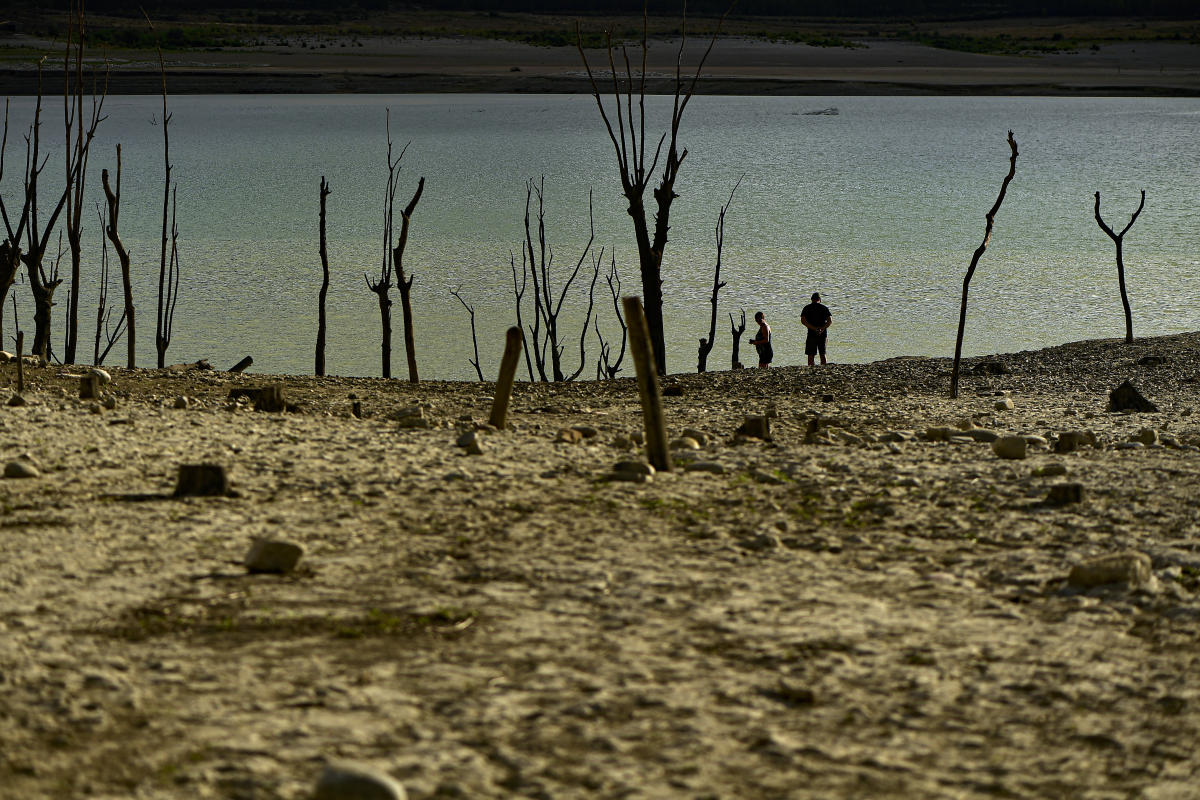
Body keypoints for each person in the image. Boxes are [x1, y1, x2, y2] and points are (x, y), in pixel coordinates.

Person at [801, 292, 832, 366]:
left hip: (811, 333)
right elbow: (830, 321)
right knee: (822, 353)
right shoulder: (824, 308)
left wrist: (814, 328)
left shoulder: (807, 308)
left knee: (811, 355)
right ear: (819, 299)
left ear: (811, 299)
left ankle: (811, 369)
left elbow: (803, 320)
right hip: (822, 333)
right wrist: (822, 329)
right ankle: (823, 368)